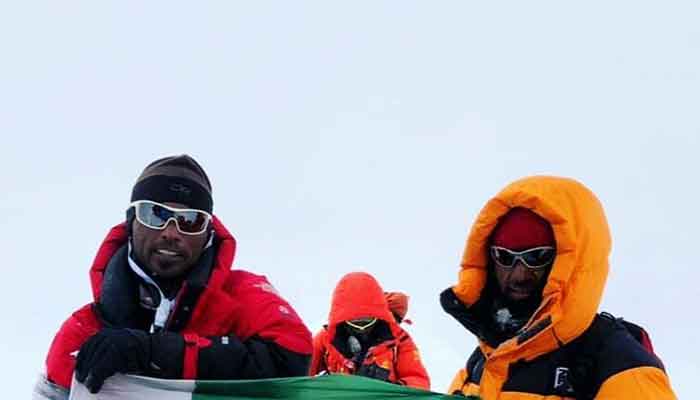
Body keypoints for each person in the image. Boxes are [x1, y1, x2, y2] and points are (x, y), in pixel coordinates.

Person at [35, 155, 313, 398]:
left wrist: (154, 353)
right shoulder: (82, 333)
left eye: (190, 220)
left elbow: (293, 357)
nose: (171, 232)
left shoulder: (242, 294)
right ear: (131, 222)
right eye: (154, 214)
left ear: (208, 234)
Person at [440, 176, 676, 399]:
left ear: (570, 261)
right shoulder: (485, 359)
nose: (520, 275)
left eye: (537, 257)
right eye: (504, 256)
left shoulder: (619, 364)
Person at [309, 272, 430, 390]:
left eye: (367, 320)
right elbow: (300, 375)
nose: (361, 328)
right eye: (354, 321)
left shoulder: (399, 339)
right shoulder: (326, 339)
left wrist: (390, 388)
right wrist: (326, 385)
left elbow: (419, 381)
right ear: (341, 318)